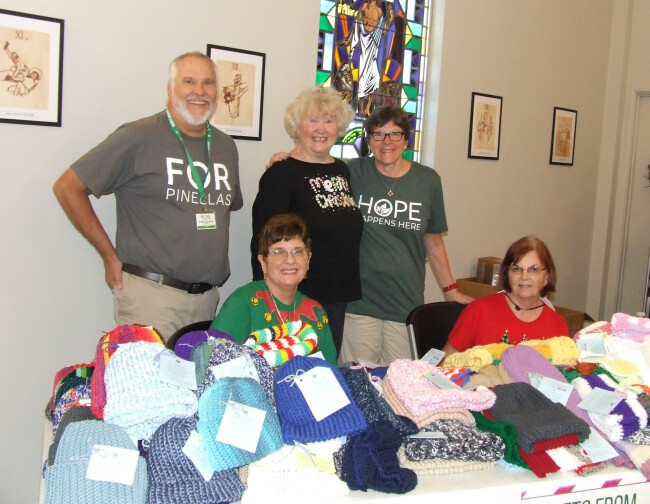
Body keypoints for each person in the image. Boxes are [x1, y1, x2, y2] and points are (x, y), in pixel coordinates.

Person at [52, 51, 243, 339]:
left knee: (196, 383)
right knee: (149, 384)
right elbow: (67, 187)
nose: (199, 91)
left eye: (208, 83)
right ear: (170, 88)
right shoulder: (138, 136)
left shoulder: (225, 147)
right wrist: (107, 255)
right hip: (151, 298)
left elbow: (223, 207)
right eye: (189, 81)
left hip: (208, 301)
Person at [340, 105, 472, 365]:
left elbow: (433, 242)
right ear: (368, 140)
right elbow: (315, 165)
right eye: (378, 134)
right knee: (358, 382)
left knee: (399, 385)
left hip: (405, 304)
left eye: (395, 134)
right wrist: (285, 157)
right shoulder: (353, 171)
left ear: (406, 140)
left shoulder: (427, 181)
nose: (386, 141)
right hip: (359, 304)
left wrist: (451, 290)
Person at [251, 86, 363, 356]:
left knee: (325, 374)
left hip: (336, 297)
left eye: (329, 120)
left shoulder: (341, 170)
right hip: (294, 297)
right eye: (312, 120)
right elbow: (263, 241)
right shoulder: (281, 174)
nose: (321, 129)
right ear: (296, 127)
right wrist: (267, 297)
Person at [212, 213, 337, 365]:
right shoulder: (243, 303)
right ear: (263, 262)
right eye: (278, 252)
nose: (290, 260)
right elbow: (213, 361)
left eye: (298, 251)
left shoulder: (316, 312)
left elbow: (331, 373)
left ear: (308, 258)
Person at [442, 235, 570, 357]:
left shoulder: (557, 326)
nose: (524, 277)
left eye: (534, 269)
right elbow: (445, 364)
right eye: (516, 269)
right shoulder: (479, 311)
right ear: (506, 275)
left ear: (546, 277)